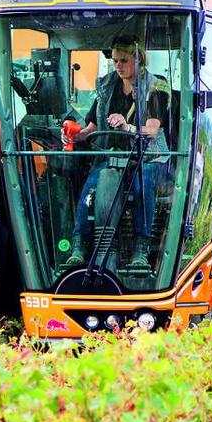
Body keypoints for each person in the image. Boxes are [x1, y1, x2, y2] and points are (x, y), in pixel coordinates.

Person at [61, 36, 169, 267]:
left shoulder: (156, 86)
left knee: (143, 184)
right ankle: (79, 246)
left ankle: (141, 249)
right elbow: (91, 128)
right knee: (89, 190)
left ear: (138, 59)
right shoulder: (106, 86)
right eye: (114, 61)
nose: (118, 66)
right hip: (112, 156)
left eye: (124, 60)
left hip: (148, 157)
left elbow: (151, 130)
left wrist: (125, 125)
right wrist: (73, 133)